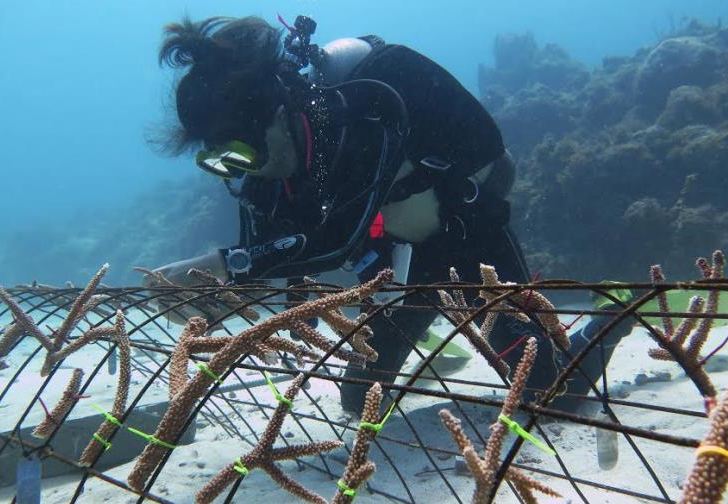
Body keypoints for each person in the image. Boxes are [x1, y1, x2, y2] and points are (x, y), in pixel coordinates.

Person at [145, 15, 633, 414]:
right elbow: (267, 251)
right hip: (403, 260)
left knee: (547, 391)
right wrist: (219, 289)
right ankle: (452, 329)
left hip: (465, 235)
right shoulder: (271, 171)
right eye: (217, 163)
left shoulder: (362, 113)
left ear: (276, 114)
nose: (239, 171)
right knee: (360, 400)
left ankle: (606, 323)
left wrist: (227, 265)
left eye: (239, 152)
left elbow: (330, 243)